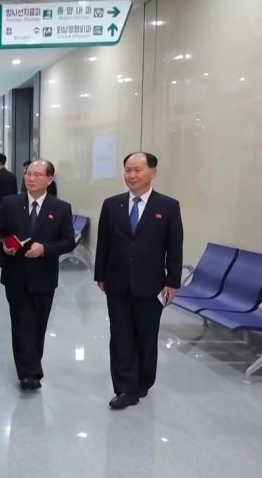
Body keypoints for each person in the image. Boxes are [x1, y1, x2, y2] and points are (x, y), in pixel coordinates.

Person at [94, 152, 183, 410]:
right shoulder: (112, 205)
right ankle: (125, 387)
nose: (131, 176)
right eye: (127, 170)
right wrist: (100, 274)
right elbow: (104, 243)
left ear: (152, 172)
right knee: (120, 334)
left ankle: (143, 380)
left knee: (146, 335)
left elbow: (174, 247)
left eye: (137, 170)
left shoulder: (167, 206)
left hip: (152, 284)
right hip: (117, 282)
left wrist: (172, 282)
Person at [0, 159, 75, 391]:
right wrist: (3, 246)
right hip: (15, 275)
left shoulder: (60, 208)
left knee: (38, 325)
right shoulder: (10, 203)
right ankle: (28, 374)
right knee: (21, 323)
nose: (31, 178)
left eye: (38, 175)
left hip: (44, 276)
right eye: (29, 173)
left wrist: (45, 249)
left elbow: (68, 241)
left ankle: (32, 363)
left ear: (49, 180)